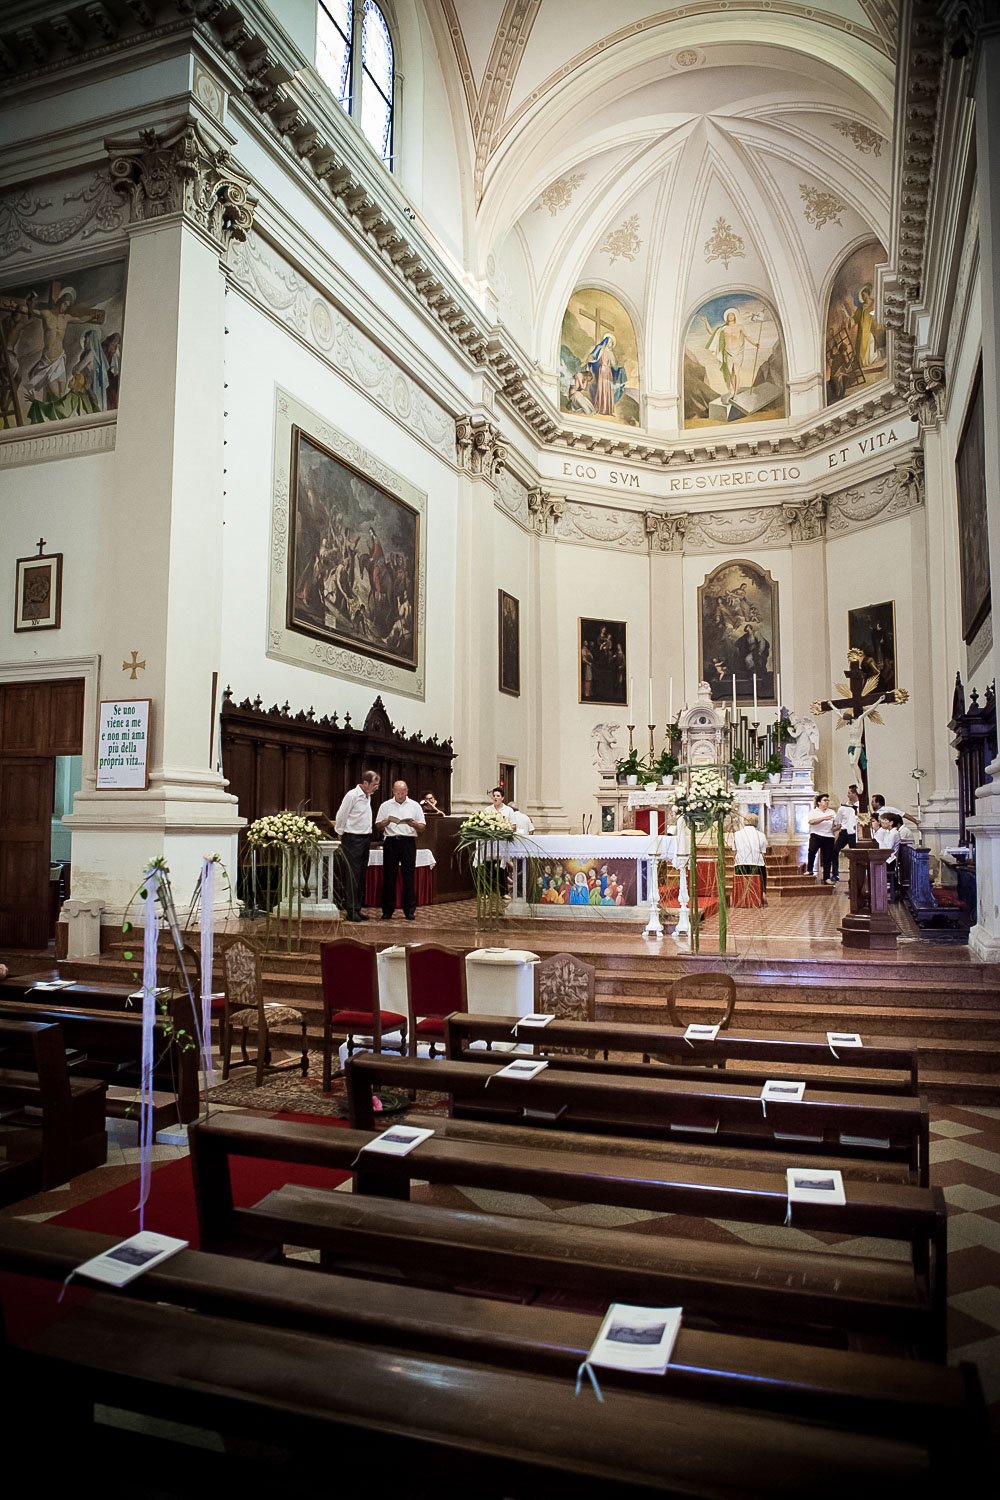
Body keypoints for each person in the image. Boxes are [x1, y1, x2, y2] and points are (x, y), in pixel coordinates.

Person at [334, 769, 381, 921]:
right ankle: (351, 910)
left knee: (361, 875)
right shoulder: (352, 795)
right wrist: (340, 833)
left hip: (365, 838)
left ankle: (358, 908)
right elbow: (341, 815)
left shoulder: (368, 796)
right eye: (374, 784)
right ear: (365, 783)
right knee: (353, 875)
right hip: (353, 839)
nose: (377, 787)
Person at [375, 779, 425, 921]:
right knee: (389, 876)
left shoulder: (415, 806)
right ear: (393, 792)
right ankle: (387, 910)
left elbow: (422, 827)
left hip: (408, 842)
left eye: (403, 792)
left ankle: (409, 910)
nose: (400, 795)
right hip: (391, 841)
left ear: (407, 791)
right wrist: (387, 821)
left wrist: (413, 823)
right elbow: (378, 825)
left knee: (408, 876)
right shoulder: (385, 805)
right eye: (398, 792)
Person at [730, 812, 768, 904]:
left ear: (744, 821)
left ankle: (740, 899)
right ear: (756, 822)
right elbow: (763, 852)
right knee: (761, 879)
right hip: (757, 863)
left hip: (741, 863)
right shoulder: (761, 835)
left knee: (740, 883)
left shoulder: (737, 834)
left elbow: (734, 850)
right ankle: (762, 895)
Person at [806, 793, 837, 883]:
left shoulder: (832, 812)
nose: (827, 802)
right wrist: (824, 818)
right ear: (819, 802)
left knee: (827, 857)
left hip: (829, 836)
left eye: (828, 800)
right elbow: (811, 822)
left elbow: (835, 825)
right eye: (824, 800)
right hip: (816, 834)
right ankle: (810, 870)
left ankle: (826, 877)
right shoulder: (813, 812)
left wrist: (838, 827)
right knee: (812, 851)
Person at [832, 790, 858, 882]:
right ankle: (835, 874)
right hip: (844, 832)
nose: (847, 794)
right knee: (834, 851)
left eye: (849, 793)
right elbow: (837, 822)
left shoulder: (861, 806)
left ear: (855, 794)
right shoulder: (843, 808)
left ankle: (855, 876)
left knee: (855, 855)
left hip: (855, 834)